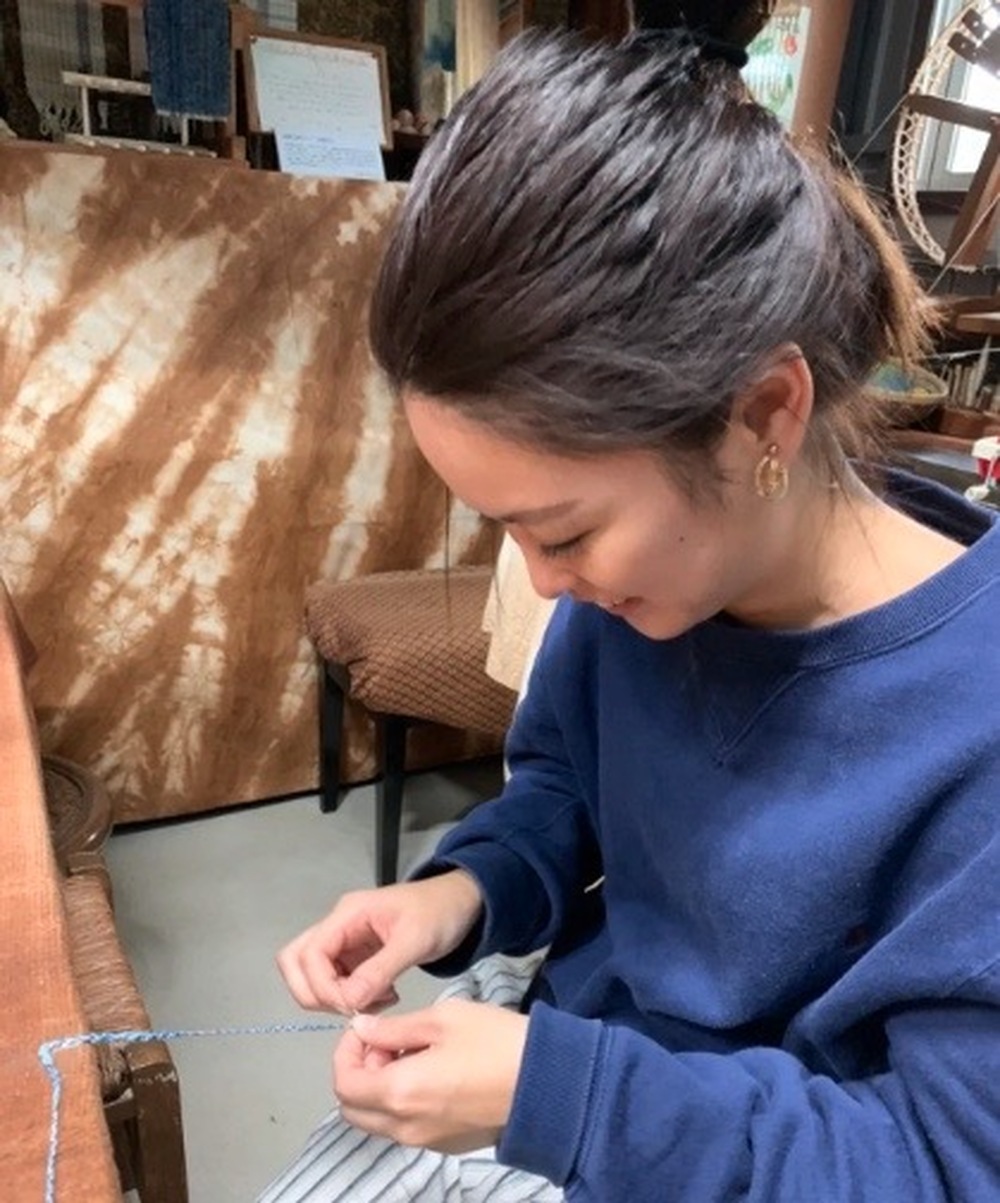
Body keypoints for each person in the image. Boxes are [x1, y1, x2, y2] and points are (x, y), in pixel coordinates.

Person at [258, 22, 1000, 1203]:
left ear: (763, 414)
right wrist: (459, 893)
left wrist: (567, 1099)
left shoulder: (973, 726)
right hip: (582, 1066)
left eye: (562, 532)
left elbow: (938, 1164)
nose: (546, 584)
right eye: (504, 529)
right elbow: (571, 789)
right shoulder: (644, 595)